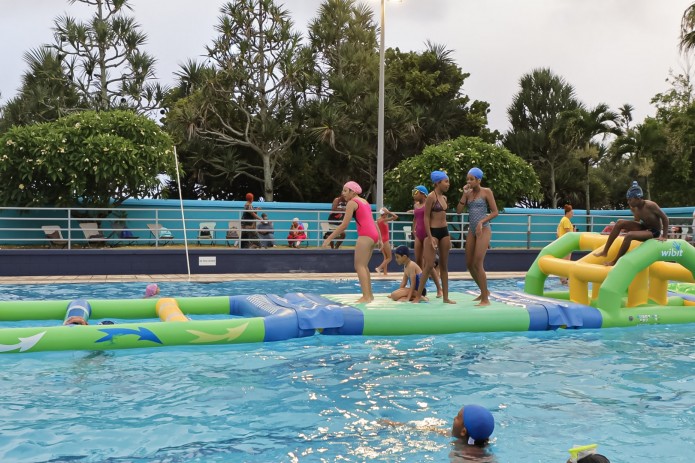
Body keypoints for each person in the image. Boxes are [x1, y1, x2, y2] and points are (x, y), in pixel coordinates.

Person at [322, 181, 378, 303]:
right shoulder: (365, 202)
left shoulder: (352, 203)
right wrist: (381, 239)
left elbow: (344, 225)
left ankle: (366, 297)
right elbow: (372, 221)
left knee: (359, 266)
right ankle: (370, 296)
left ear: (353, 192)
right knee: (364, 266)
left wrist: (329, 238)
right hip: (373, 235)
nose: (343, 194)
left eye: (345, 191)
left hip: (365, 235)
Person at [592, 181, 669, 266]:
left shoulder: (650, 205)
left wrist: (664, 236)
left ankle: (615, 261)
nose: (628, 202)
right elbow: (637, 221)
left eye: (630, 200)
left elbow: (665, 218)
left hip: (654, 232)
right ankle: (605, 251)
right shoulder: (634, 208)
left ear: (637, 198)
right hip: (644, 227)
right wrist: (627, 227)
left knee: (629, 235)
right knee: (619, 223)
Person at [456, 167, 499, 306]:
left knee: (477, 263)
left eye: (471, 179)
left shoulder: (486, 192)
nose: (468, 181)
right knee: (469, 264)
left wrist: (481, 222)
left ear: (478, 180)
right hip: (472, 230)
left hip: (484, 229)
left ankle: (485, 299)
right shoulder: (468, 194)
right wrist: (464, 194)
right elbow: (458, 211)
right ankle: (483, 291)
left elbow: (495, 212)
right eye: (467, 179)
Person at [414, 171, 456, 304]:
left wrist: (448, 235)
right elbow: (426, 217)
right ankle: (417, 297)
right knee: (428, 265)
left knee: (444, 265)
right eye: (446, 181)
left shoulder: (444, 198)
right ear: (438, 183)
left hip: (444, 232)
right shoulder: (431, 197)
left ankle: (445, 297)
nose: (448, 184)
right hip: (433, 231)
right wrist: (430, 236)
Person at [412, 185, 443, 298]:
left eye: (416, 192)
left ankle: (439, 289)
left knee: (428, 263)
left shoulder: (429, 204)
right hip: (418, 235)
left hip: (428, 235)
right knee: (418, 261)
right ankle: (421, 288)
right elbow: (415, 218)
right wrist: (413, 228)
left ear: (423, 194)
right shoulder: (416, 205)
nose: (414, 194)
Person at [375, 207, 399, 275]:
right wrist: (389, 212)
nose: (387, 215)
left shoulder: (378, 220)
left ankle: (385, 273)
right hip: (385, 240)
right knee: (390, 258)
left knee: (385, 258)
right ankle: (379, 268)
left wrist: (386, 212)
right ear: (384, 214)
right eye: (386, 214)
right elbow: (396, 217)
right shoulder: (384, 220)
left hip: (381, 240)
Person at [556, 204, 574, 284]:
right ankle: (563, 279)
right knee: (566, 261)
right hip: (566, 244)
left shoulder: (562, 220)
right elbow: (568, 232)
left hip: (562, 243)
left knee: (563, 260)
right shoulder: (566, 220)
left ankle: (563, 278)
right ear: (568, 212)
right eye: (571, 212)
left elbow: (557, 232)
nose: (572, 214)